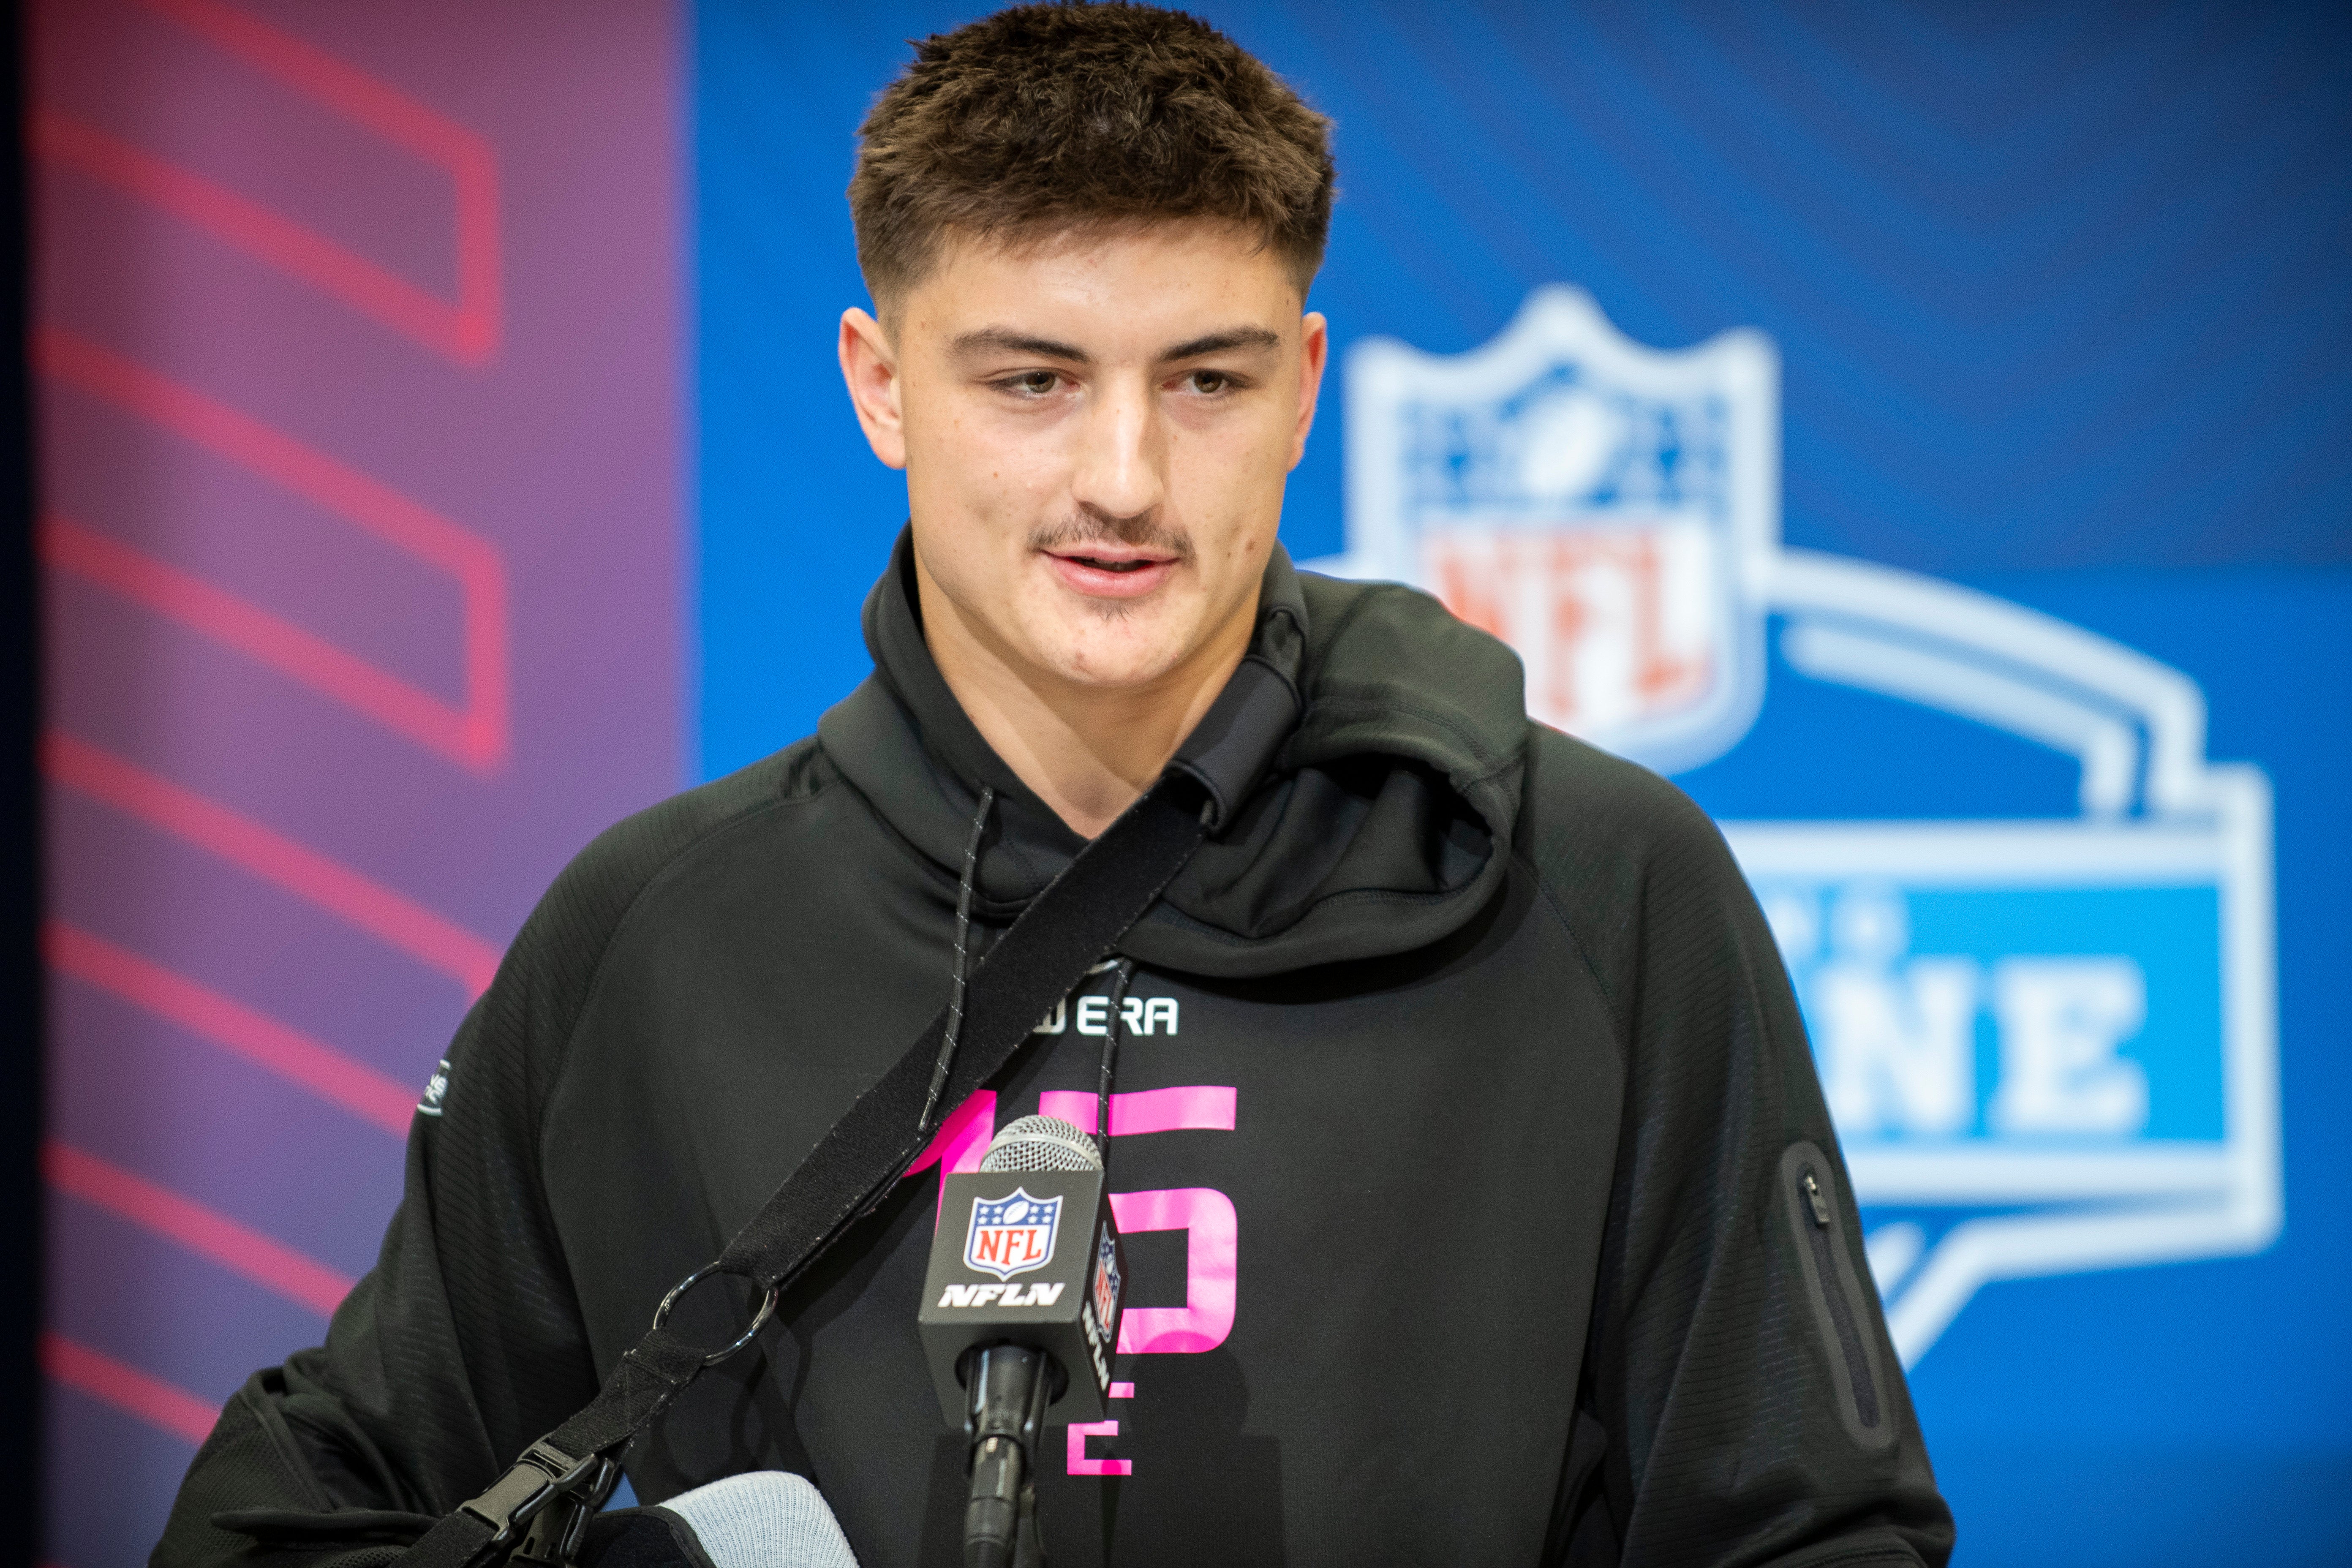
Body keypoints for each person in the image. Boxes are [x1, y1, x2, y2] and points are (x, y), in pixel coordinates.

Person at [155, 5, 1955, 1565]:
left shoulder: (1606, 887)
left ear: (1304, 385)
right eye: (1033, 380)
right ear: (881, 386)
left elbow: (1813, 1531)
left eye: (1205, 380)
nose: (1125, 478)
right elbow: (301, 1510)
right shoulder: (650, 934)